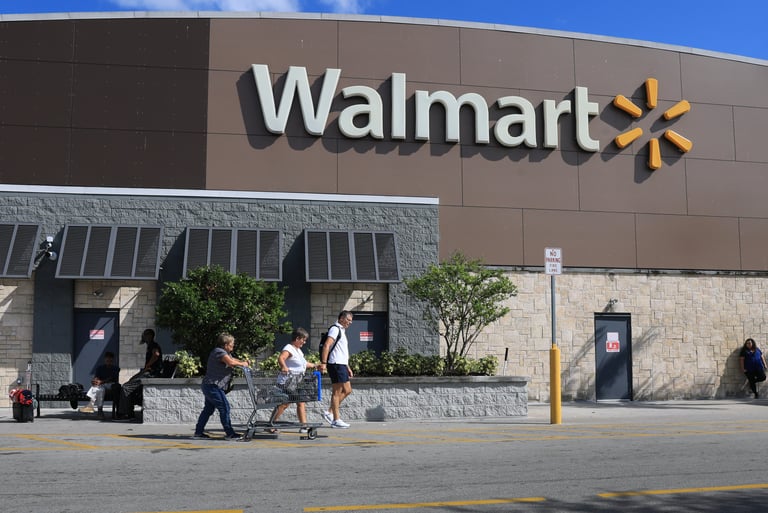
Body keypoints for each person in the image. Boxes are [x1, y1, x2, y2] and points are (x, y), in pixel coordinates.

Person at [193, 333, 249, 440]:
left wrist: (243, 362)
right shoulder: (219, 352)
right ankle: (230, 433)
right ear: (225, 344)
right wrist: (243, 364)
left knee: (208, 410)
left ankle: (198, 432)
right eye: (232, 344)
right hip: (213, 386)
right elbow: (231, 362)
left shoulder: (225, 353)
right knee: (225, 408)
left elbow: (234, 360)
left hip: (211, 386)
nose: (233, 346)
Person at [269, 328, 320, 433]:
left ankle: (303, 426)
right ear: (297, 338)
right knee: (285, 403)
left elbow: (304, 364)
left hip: (295, 382)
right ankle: (272, 424)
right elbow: (281, 358)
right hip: (287, 382)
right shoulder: (289, 348)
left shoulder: (298, 351)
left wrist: (315, 365)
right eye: (303, 340)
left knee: (300, 402)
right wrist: (283, 366)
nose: (304, 342)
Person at [318, 310, 354, 428]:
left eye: (351, 320)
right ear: (341, 318)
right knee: (336, 392)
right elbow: (327, 345)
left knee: (347, 390)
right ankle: (335, 420)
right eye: (348, 320)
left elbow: (341, 350)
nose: (350, 322)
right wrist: (323, 363)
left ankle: (329, 412)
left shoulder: (342, 330)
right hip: (335, 363)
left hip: (341, 364)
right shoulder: (335, 329)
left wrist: (347, 366)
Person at [116, 328, 163, 419]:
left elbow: (156, 354)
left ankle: (125, 413)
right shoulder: (149, 346)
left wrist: (147, 366)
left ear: (150, 336)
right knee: (130, 382)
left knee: (126, 387)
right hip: (147, 373)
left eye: (145, 335)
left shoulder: (153, 345)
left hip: (152, 374)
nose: (143, 337)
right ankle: (129, 411)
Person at [79, 351, 121, 417]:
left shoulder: (116, 368)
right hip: (102, 387)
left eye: (110, 360)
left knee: (99, 387)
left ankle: (90, 405)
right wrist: (94, 380)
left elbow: (111, 378)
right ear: (105, 360)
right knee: (99, 389)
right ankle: (100, 411)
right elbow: (97, 377)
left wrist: (101, 382)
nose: (108, 362)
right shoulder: (100, 368)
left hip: (111, 386)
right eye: (107, 360)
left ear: (113, 360)